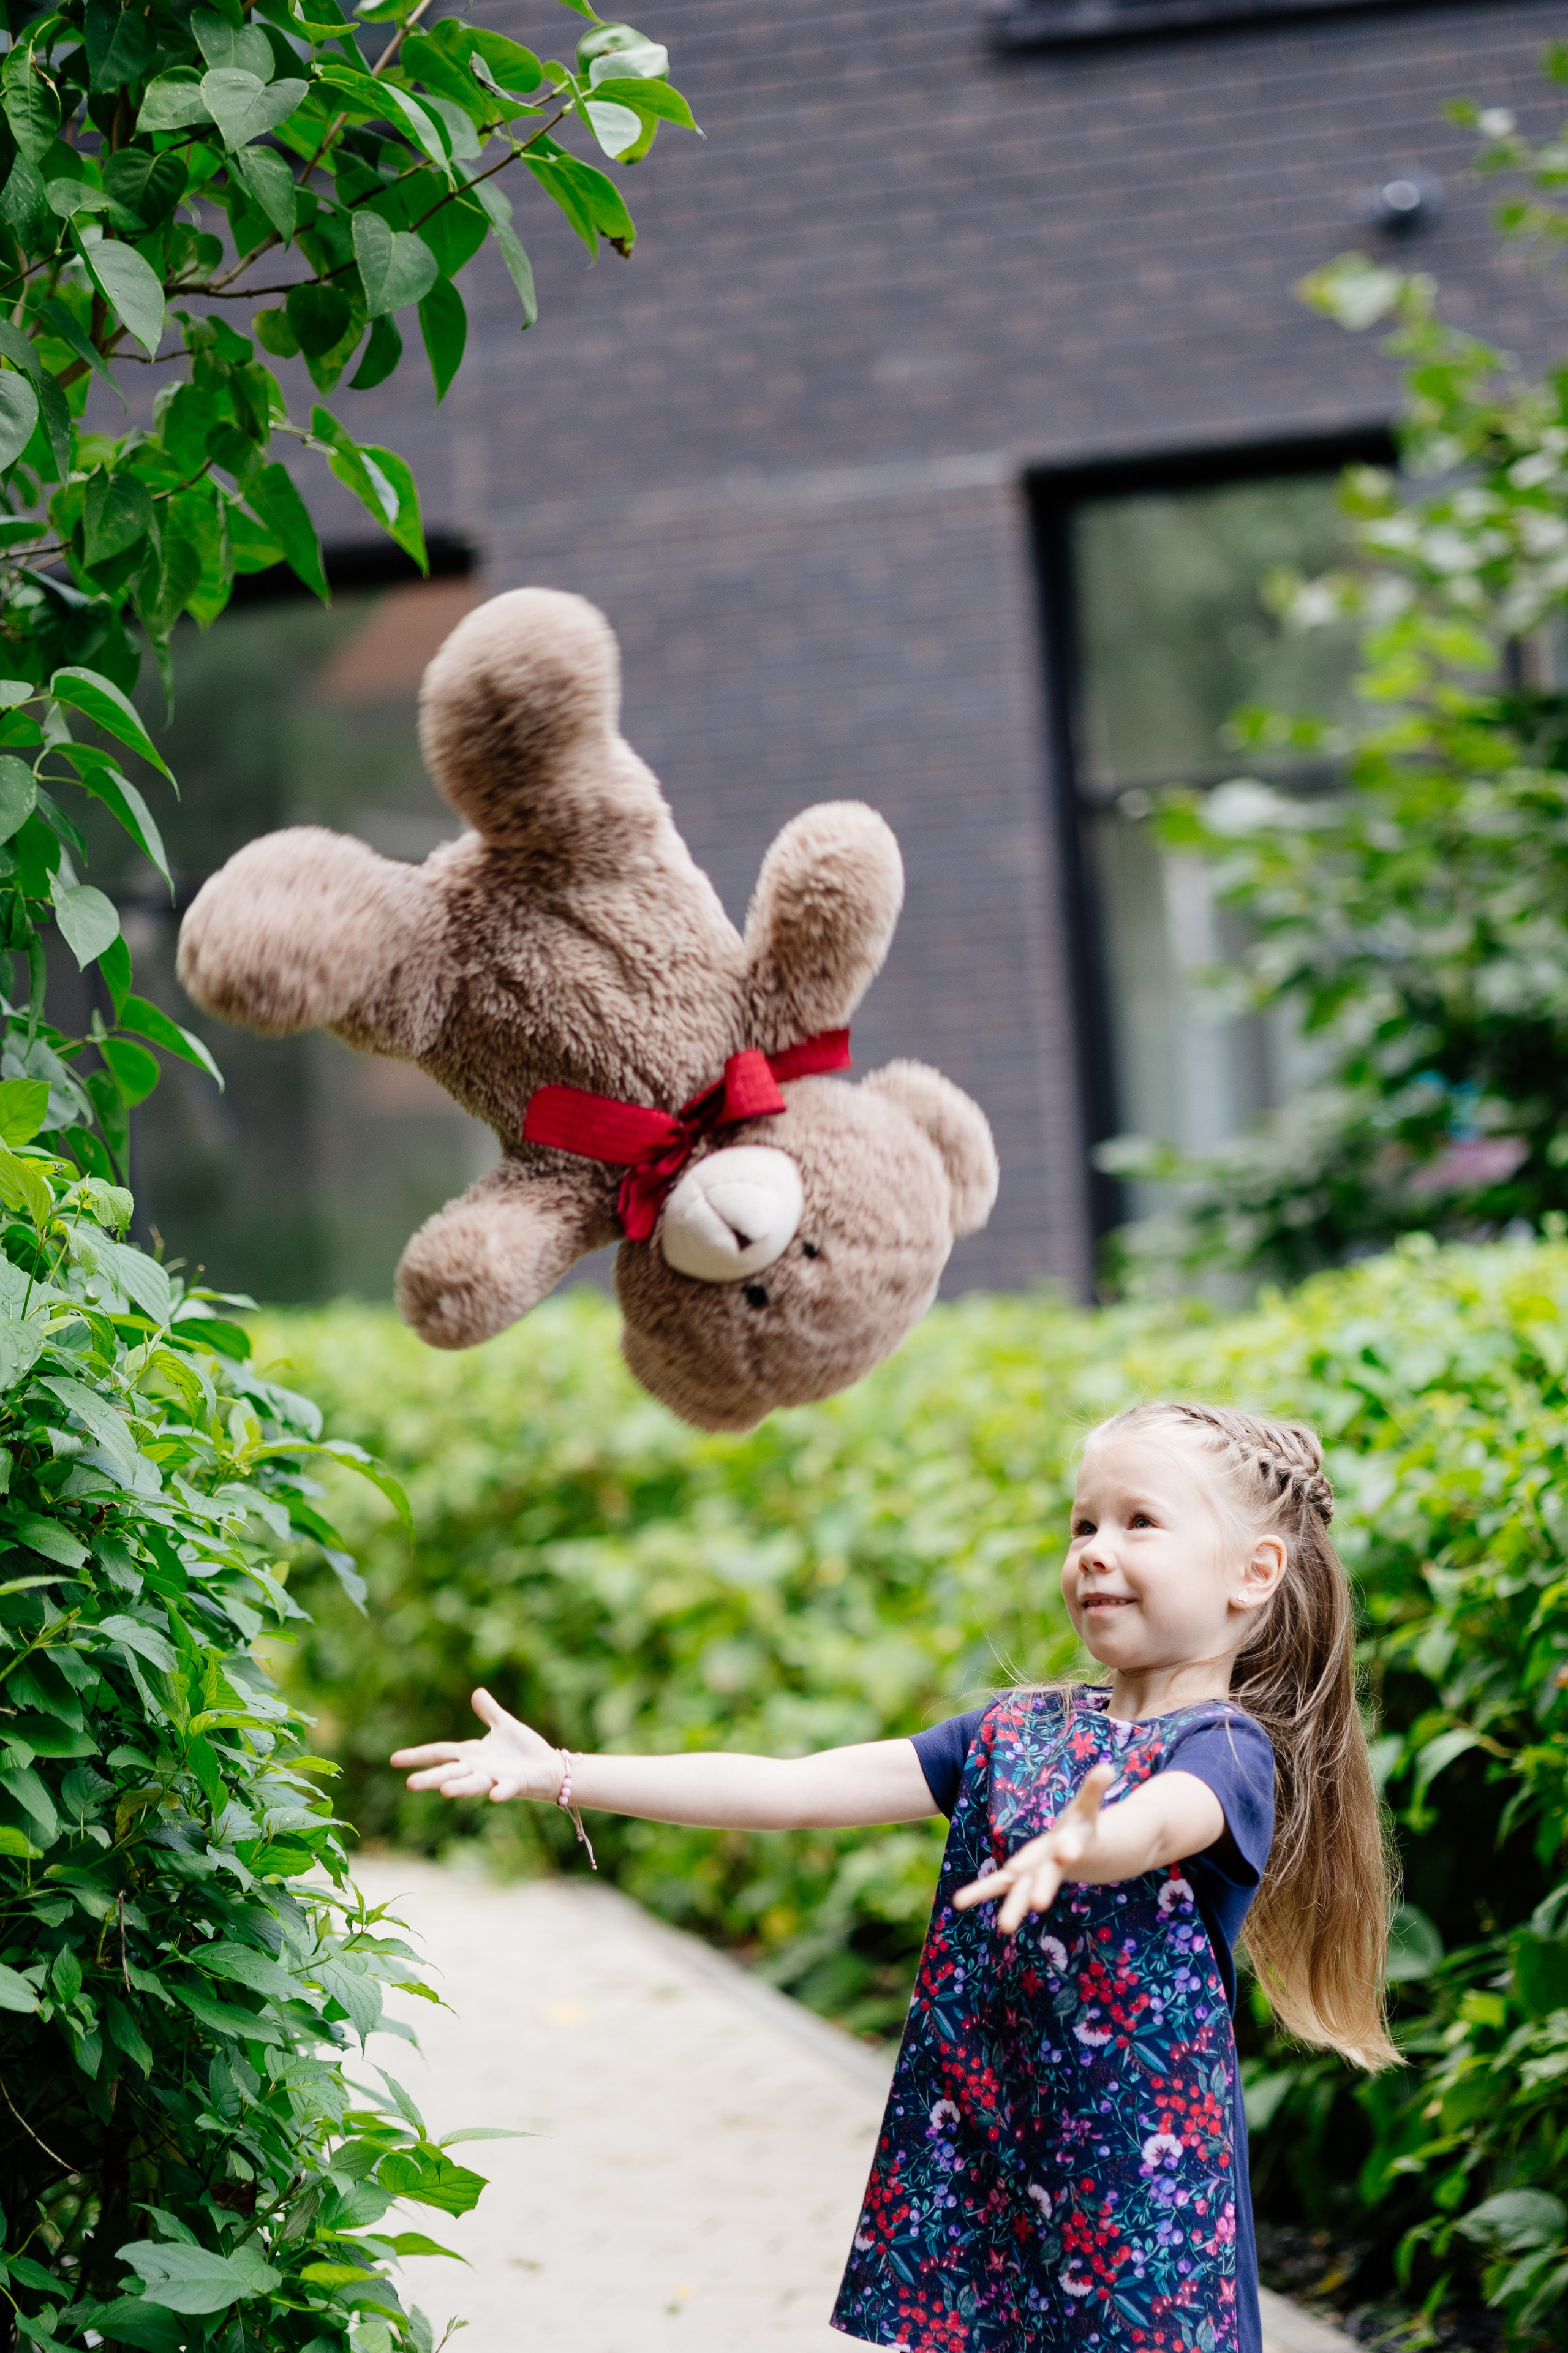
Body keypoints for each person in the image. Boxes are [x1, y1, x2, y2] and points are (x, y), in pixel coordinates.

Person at [390, 1400, 1398, 2353]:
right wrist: (564, 1773)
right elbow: (791, 1786)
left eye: (1141, 1522)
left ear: (1255, 1571)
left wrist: (1085, 1847)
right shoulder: (1012, 1732)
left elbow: (1167, 1819)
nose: (1095, 1548)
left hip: (1142, 2193)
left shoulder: (1229, 1749)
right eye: (1084, 1520)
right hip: (997, 2155)